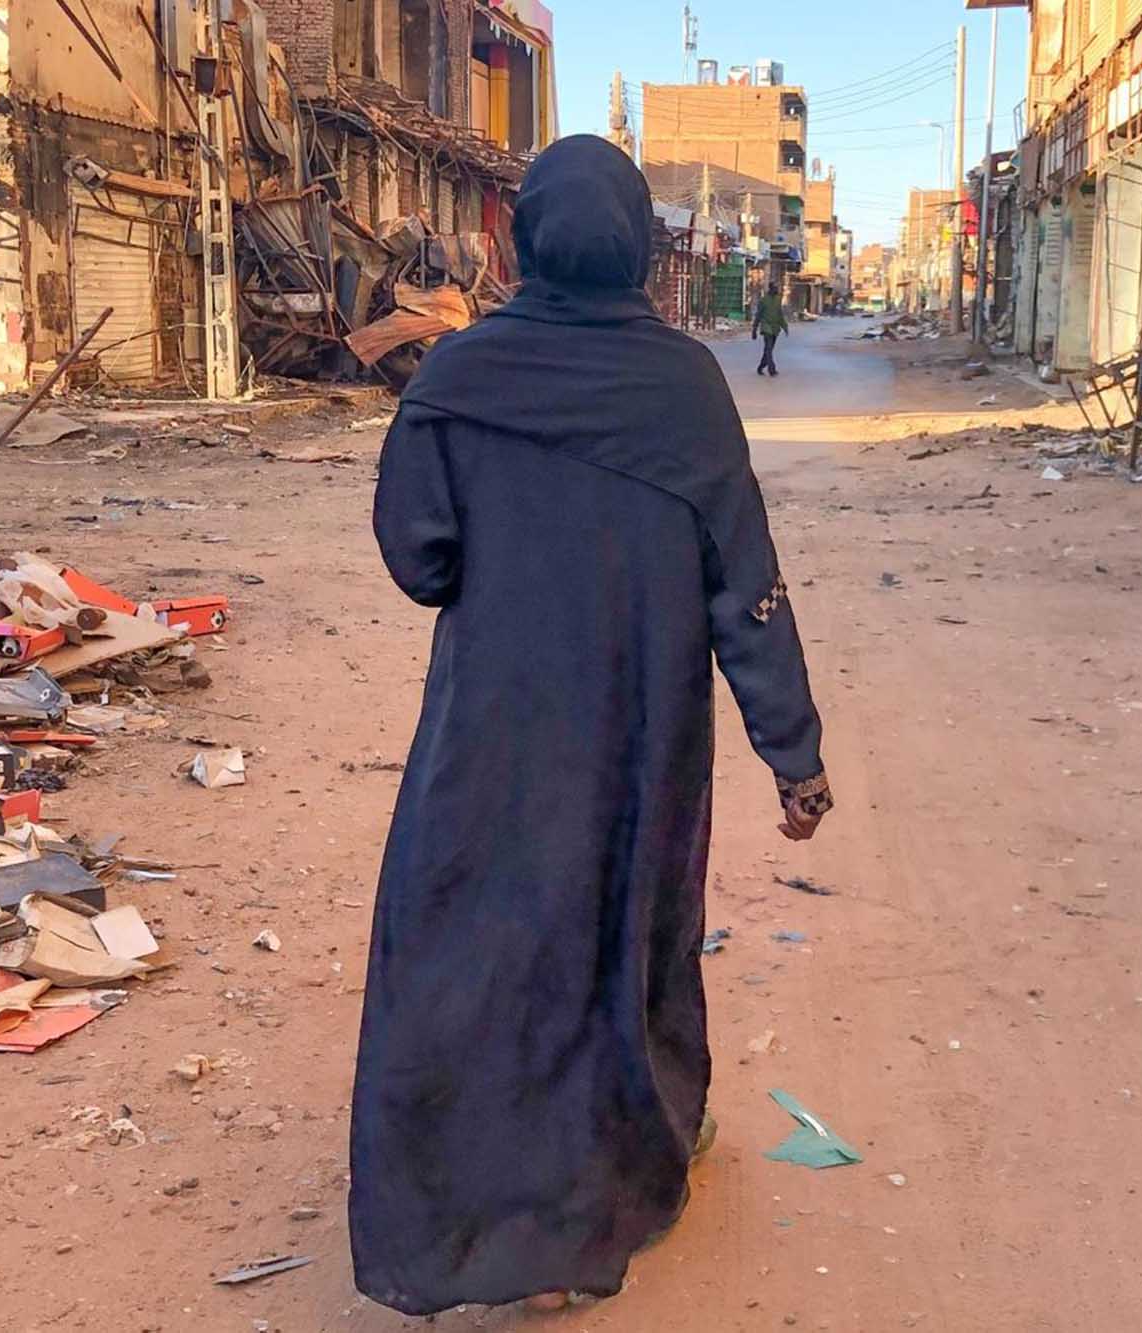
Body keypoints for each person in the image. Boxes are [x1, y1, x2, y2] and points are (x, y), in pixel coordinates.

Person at [349, 135, 831, 1318]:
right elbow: (744, 584)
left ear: (517, 238)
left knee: (476, 941)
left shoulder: (457, 381)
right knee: (623, 938)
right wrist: (793, 753)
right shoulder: (682, 388)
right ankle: (600, 1196)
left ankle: (458, 1206)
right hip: (639, 733)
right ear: (635, 247)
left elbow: (419, 559)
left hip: (492, 731)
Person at [752, 281, 788, 376]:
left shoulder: (778, 299)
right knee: (768, 348)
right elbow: (758, 315)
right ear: (771, 289)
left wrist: (785, 327)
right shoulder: (764, 300)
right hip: (766, 327)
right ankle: (772, 369)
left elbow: (780, 314)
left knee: (769, 350)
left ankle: (761, 366)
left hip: (775, 328)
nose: (777, 290)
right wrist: (754, 329)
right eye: (775, 288)